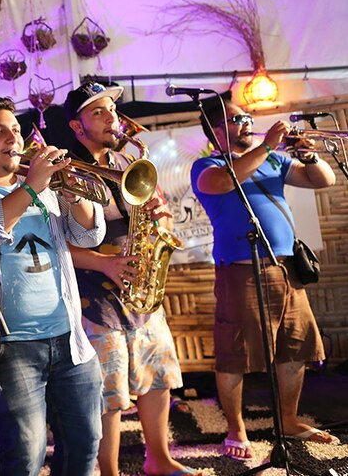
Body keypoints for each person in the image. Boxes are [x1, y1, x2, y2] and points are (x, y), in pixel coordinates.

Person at [0, 96, 106, 476]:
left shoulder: (46, 189)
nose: (12, 138)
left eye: (16, 130)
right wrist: (34, 187)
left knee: (85, 444)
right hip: (11, 349)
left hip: (70, 340)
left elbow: (89, 236)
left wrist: (75, 196)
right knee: (24, 456)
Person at [60, 82, 200, 476]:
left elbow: (162, 213)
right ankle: (109, 471)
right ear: (76, 126)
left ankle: (159, 458)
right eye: (98, 112)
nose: (111, 118)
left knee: (157, 378)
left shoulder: (127, 164)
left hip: (140, 292)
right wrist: (103, 263)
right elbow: (55, 244)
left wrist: (162, 216)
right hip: (94, 297)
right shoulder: (67, 171)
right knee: (108, 393)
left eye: (112, 110)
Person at [190, 99, 338, 459]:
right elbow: (225, 182)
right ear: (215, 128)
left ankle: (287, 420)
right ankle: (235, 427)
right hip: (240, 271)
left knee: (296, 346)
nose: (246, 123)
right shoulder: (206, 166)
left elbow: (323, 180)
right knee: (235, 352)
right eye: (236, 118)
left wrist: (309, 157)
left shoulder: (272, 159)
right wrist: (268, 144)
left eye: (247, 117)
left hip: (286, 268)